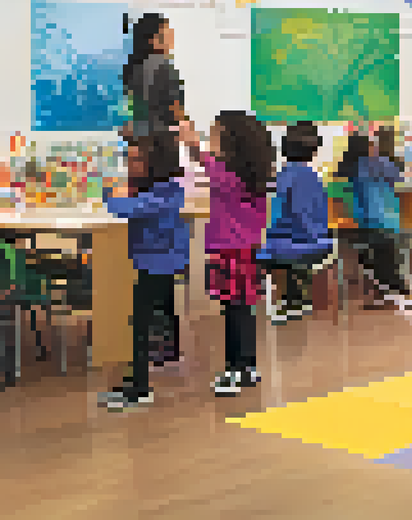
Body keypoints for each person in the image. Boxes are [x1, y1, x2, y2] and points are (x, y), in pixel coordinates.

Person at [181, 111, 274, 396]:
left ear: (231, 141)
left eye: (216, 135)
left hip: (229, 251)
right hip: (250, 249)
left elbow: (203, 159)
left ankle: (235, 370)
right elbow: (207, 160)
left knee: (233, 310)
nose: (211, 141)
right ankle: (248, 366)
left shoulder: (225, 176)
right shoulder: (253, 175)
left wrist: (191, 141)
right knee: (244, 309)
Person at [100, 132, 189, 411]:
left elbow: (125, 208)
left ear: (155, 163)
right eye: (129, 157)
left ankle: (140, 388)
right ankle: (137, 380)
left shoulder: (165, 194)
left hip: (159, 263)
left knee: (141, 323)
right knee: (141, 321)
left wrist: (104, 193)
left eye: (137, 159)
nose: (130, 163)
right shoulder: (159, 190)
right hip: (153, 261)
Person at [337, 130, 412, 314]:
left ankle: (384, 284)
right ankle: (394, 287)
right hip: (389, 222)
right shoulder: (381, 163)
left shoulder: (346, 169)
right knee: (385, 245)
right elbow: (400, 178)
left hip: (360, 225)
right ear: (370, 146)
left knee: (372, 247)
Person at [260, 121, 331, 322]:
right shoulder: (314, 177)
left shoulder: (283, 177)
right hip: (319, 242)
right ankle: (294, 296)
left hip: (294, 243)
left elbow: (277, 218)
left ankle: (291, 298)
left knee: (265, 248)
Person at [122, 13, 187, 140]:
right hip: (161, 142)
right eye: (168, 33)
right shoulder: (164, 68)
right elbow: (176, 110)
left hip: (135, 139)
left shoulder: (132, 69)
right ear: (154, 40)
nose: (172, 37)